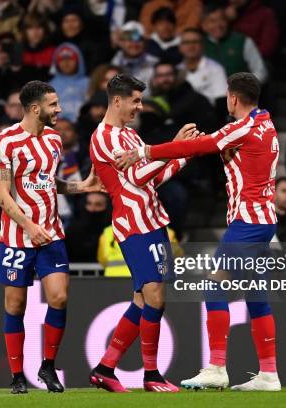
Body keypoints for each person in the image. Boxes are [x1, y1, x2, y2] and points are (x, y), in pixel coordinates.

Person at [116, 72, 281, 391]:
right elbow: (230, 146)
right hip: (262, 219)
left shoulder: (242, 127)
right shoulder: (265, 124)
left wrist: (144, 152)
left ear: (233, 98)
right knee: (255, 293)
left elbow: (207, 144)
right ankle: (269, 374)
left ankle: (217, 367)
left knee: (214, 286)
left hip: (248, 221)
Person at [0, 81, 103, 394]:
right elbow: (1, 193)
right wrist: (27, 225)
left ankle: (48, 366)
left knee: (60, 297)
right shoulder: (6, 141)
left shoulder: (54, 140)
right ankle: (16, 376)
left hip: (51, 234)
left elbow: (48, 183)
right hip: (17, 237)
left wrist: (82, 187)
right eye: (54, 104)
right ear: (35, 108)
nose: (60, 109)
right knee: (15, 306)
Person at [88, 73, 192, 393]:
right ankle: (151, 375)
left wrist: (185, 152)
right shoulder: (104, 137)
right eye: (135, 100)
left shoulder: (131, 137)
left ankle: (105, 368)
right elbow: (135, 175)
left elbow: (153, 177)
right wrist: (173, 146)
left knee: (141, 301)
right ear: (116, 100)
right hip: (133, 224)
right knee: (155, 298)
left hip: (153, 220)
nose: (140, 106)